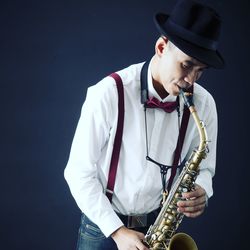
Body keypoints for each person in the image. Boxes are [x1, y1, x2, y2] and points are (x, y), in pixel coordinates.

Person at [64, 0, 224, 249]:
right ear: (161, 47)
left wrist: (203, 188)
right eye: (186, 65)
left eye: (200, 70)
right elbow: (77, 173)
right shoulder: (109, 93)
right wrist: (117, 231)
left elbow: (205, 168)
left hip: (157, 228)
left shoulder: (204, 104)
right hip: (103, 227)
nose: (190, 80)